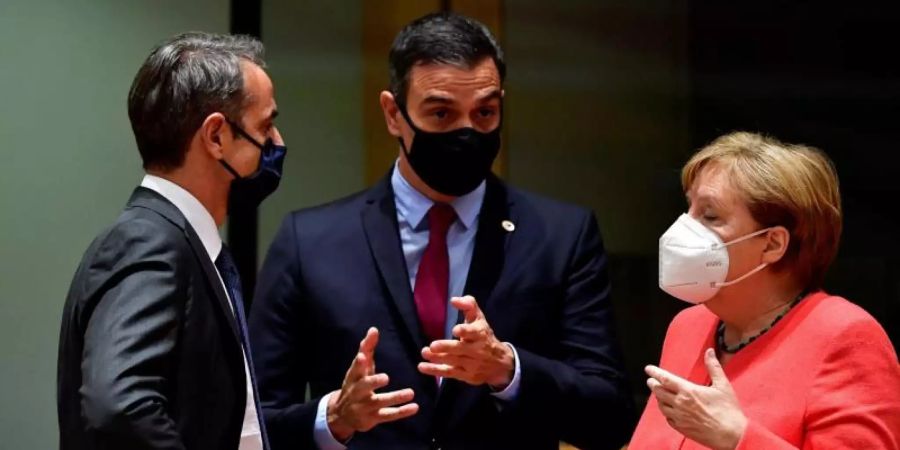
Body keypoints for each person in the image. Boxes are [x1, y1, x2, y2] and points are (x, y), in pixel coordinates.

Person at [249, 12, 634, 450]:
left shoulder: (562, 237)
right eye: (441, 113)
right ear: (394, 114)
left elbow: (611, 418)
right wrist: (333, 419)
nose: (465, 132)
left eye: (485, 113)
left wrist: (507, 370)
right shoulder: (310, 242)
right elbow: (252, 424)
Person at [57, 32, 286, 450]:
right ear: (216, 137)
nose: (277, 144)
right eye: (266, 126)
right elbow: (119, 405)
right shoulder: (149, 242)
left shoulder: (184, 243)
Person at [629, 131, 900, 449]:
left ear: (772, 244)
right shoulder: (688, 326)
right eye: (689, 208)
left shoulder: (846, 336)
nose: (682, 229)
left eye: (710, 215)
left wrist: (736, 438)